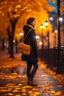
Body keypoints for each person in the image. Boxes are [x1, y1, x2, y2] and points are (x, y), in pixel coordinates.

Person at [22, 17, 38, 86]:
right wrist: (36, 51)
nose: (35, 23)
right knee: (36, 66)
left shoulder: (26, 29)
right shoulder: (31, 30)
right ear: (31, 22)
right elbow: (33, 41)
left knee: (29, 65)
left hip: (27, 50)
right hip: (31, 51)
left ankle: (29, 81)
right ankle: (30, 79)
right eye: (34, 21)